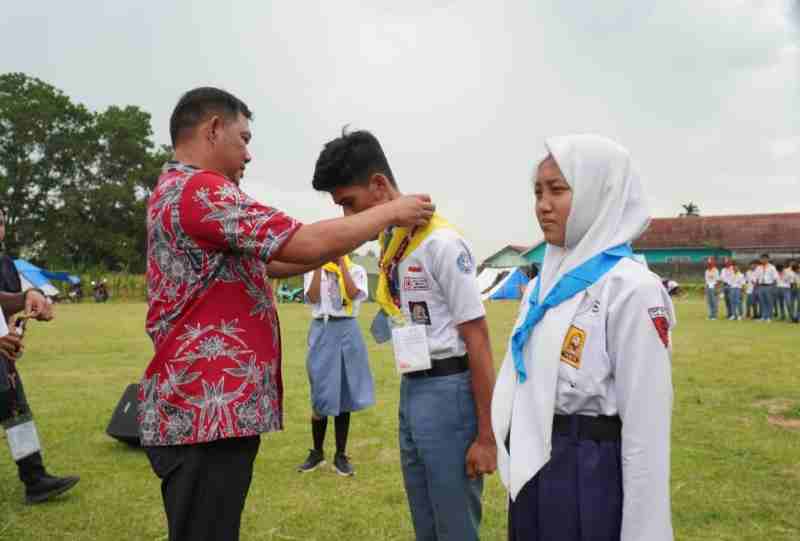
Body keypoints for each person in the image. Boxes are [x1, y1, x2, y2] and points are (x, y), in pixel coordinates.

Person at [139, 88, 434, 541]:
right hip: (205, 412)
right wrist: (393, 210)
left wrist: (347, 236)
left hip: (201, 409)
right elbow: (301, 243)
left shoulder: (174, 190)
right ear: (213, 130)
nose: (249, 154)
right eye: (244, 138)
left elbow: (278, 261)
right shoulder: (201, 189)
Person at [311, 129, 497, 541]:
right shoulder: (394, 240)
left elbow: (478, 337)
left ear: (378, 186)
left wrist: (486, 435)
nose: (347, 217)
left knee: (454, 522)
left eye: (349, 203)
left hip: (449, 390)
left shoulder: (442, 244)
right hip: (413, 387)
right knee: (424, 519)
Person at [492, 135, 674, 541]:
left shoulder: (630, 288)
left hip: (589, 471)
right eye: (537, 191)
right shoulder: (543, 285)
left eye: (558, 189)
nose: (543, 204)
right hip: (535, 460)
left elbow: (646, 425)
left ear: (599, 193)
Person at [0, 208, 78, 505]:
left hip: (3, 355)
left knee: (17, 411)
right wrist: (24, 296)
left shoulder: (6, 263)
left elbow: (6, 304)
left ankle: (35, 479)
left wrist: (26, 312)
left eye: (1, 222)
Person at [297, 256, 374, 476]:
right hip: (322, 326)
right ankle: (317, 452)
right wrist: (319, 267)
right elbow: (312, 297)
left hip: (347, 328)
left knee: (343, 394)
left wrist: (342, 267)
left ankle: (340, 455)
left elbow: (352, 294)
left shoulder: (356, 269)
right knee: (320, 392)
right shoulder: (312, 269)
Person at [754, 253, 778, 322]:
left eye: (765, 258)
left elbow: (775, 278)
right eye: (762, 258)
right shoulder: (758, 267)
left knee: (769, 301)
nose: (763, 260)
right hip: (761, 286)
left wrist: (774, 287)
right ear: (760, 259)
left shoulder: (772, 267)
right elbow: (755, 277)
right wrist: (756, 285)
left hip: (769, 286)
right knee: (762, 302)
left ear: (768, 259)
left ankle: (769, 317)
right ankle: (763, 316)